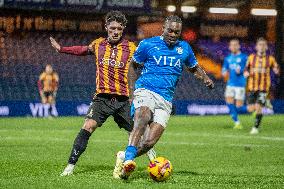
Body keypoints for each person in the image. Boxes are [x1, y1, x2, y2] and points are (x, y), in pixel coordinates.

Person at [49, 11, 156, 177]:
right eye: (112, 28)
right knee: (88, 126)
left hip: (124, 100)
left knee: (140, 134)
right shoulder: (98, 44)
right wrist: (62, 49)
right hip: (102, 98)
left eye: (119, 29)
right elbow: (83, 50)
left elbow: (148, 60)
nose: (115, 31)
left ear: (123, 30)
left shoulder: (132, 47)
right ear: (106, 27)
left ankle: (153, 161)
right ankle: (70, 167)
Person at [117, 15, 214, 179]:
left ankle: (124, 157)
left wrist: (205, 78)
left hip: (166, 99)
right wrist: (132, 91)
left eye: (177, 32)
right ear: (163, 29)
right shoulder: (148, 44)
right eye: (170, 30)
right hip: (145, 90)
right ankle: (128, 160)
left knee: (149, 143)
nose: (173, 34)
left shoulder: (184, 48)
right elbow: (133, 66)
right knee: (143, 115)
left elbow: (193, 67)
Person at [244, 38, 280, 134]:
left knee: (258, 106)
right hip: (252, 87)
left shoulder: (271, 59)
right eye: (260, 44)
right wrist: (246, 73)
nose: (262, 46)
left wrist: (277, 71)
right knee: (250, 109)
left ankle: (255, 128)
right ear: (256, 47)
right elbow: (246, 69)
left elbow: (277, 69)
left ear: (266, 47)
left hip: (264, 87)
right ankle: (266, 101)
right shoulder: (251, 57)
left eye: (264, 45)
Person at [222, 39, 248, 129]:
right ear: (229, 47)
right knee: (229, 102)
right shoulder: (228, 58)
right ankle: (237, 122)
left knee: (239, 107)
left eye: (235, 45)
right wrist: (224, 72)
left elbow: (248, 69)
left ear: (239, 46)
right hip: (230, 84)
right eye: (232, 45)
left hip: (240, 84)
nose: (233, 47)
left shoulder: (244, 57)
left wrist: (241, 71)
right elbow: (224, 68)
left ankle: (254, 108)